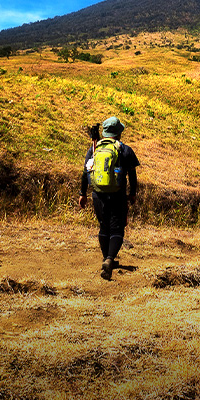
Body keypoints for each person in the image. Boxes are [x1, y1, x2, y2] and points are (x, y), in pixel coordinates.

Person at [78, 116, 140, 280]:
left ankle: (107, 258)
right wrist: (132, 193)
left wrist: (82, 194)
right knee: (117, 228)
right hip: (117, 195)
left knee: (104, 227)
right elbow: (132, 176)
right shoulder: (125, 150)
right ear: (119, 133)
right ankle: (110, 259)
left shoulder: (94, 148)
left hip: (98, 194)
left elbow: (86, 173)